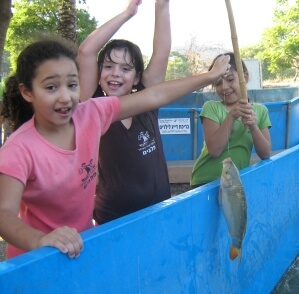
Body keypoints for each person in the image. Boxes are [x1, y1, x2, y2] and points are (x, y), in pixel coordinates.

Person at [0, 37, 231, 259]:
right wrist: (40, 240)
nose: (65, 97)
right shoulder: (18, 150)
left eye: (72, 85)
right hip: (35, 260)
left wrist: (210, 76)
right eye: (51, 87)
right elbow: (4, 214)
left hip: (82, 247)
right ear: (27, 92)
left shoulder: (90, 114)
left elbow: (155, 94)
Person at [77, 0, 172, 224]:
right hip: (111, 218)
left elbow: (162, 52)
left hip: (158, 211)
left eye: (126, 68)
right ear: (98, 74)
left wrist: (161, 5)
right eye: (108, 66)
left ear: (137, 78)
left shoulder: (148, 101)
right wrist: (128, 12)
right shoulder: (91, 107)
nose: (115, 74)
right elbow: (86, 51)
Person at [190, 53, 271, 187]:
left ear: (245, 76)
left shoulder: (261, 111)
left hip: (235, 183)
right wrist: (232, 116)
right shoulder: (211, 107)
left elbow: (266, 153)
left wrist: (253, 126)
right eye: (218, 83)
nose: (224, 87)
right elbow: (214, 150)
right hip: (205, 182)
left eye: (230, 79)